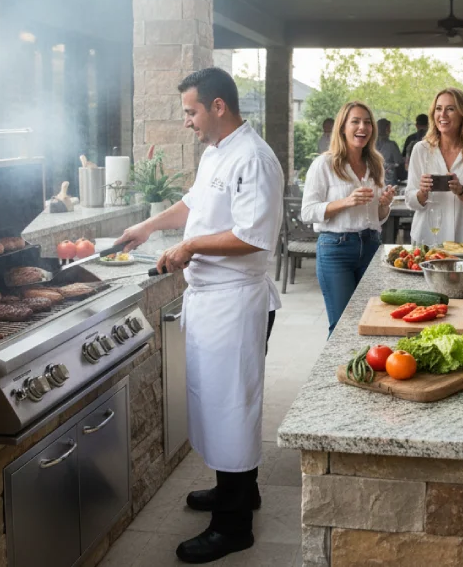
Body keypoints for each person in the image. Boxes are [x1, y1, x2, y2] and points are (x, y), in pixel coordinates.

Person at [114, 67, 283, 563]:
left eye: (190, 111)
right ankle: (238, 490)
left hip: (237, 301)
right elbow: (194, 203)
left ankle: (233, 527)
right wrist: (148, 226)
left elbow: (253, 236)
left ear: (217, 107)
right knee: (213, 402)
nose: (186, 121)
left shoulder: (254, 158)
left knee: (233, 407)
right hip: (210, 300)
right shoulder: (216, 153)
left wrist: (188, 247)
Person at [301, 102, 396, 334]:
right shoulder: (324, 164)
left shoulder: (376, 165)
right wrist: (346, 201)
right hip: (336, 251)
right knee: (343, 327)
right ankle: (335, 371)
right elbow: (308, 212)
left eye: (367, 122)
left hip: (372, 246)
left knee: (371, 324)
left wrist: (383, 206)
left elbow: (377, 218)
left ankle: (362, 371)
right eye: (355, 121)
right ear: (343, 127)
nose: (362, 127)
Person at [407, 88, 463, 245]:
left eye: (450, 109)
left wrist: (461, 191)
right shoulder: (421, 149)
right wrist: (421, 193)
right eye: (438, 109)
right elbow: (410, 200)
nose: (443, 115)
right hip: (426, 240)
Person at [376, 118, 405, 185]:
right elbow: (399, 164)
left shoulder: (369, 145)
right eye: (389, 128)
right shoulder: (391, 145)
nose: (390, 130)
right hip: (389, 182)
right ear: (386, 130)